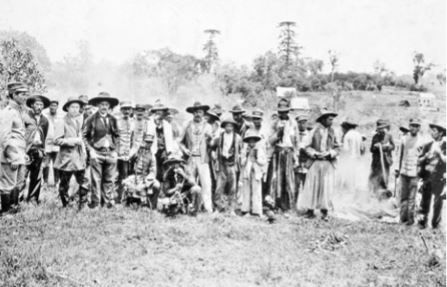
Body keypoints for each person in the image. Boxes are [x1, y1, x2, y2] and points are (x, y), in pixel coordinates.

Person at [297, 109, 340, 221]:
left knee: (326, 186)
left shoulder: (334, 132)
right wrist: (315, 154)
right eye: (330, 119)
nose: (331, 121)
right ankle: (310, 210)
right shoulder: (314, 131)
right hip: (315, 162)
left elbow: (338, 147)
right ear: (323, 119)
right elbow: (306, 146)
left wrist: (330, 153)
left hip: (328, 162)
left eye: (332, 119)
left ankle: (324, 211)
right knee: (312, 185)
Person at [83, 92, 120, 208]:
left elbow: (117, 136)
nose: (104, 107)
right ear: (97, 106)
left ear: (109, 106)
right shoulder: (91, 119)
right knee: (96, 179)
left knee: (109, 179)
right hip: (96, 152)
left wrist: (116, 151)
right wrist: (91, 150)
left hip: (110, 152)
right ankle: (96, 203)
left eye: (106, 104)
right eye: (102, 104)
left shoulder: (113, 119)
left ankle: (107, 203)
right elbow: (84, 136)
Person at [0, 83, 29, 214]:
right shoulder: (8, 113)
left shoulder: (19, 111)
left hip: (19, 154)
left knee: (17, 183)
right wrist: (13, 157)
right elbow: (5, 137)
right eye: (22, 94)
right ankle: (6, 213)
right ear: (13, 95)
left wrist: (23, 154)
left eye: (26, 94)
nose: (25, 97)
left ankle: (13, 210)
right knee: (7, 185)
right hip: (10, 155)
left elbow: (19, 135)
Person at [179, 101, 213, 212]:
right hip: (190, 158)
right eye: (195, 112)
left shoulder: (208, 126)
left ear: (203, 113)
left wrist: (211, 139)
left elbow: (212, 143)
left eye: (200, 112)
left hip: (203, 158)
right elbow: (179, 141)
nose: (197, 114)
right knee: (190, 181)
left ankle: (207, 207)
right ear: (192, 113)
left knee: (206, 183)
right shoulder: (187, 125)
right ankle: (188, 205)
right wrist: (185, 150)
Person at [54, 97, 87, 208]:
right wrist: (73, 141)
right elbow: (57, 140)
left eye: (77, 107)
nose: (75, 109)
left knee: (83, 181)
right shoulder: (61, 121)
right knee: (64, 183)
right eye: (72, 107)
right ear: (67, 108)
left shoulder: (79, 120)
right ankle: (66, 204)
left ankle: (82, 204)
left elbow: (82, 139)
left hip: (78, 157)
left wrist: (83, 151)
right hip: (66, 158)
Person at [267, 105, 298, 212]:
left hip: (288, 153)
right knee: (276, 179)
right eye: (281, 112)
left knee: (288, 179)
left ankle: (287, 205)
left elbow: (296, 141)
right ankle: (275, 204)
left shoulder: (293, 123)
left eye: (285, 112)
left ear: (288, 111)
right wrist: (278, 133)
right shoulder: (274, 123)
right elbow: (270, 141)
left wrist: (295, 156)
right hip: (278, 152)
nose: (283, 114)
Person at [417, 121, 446, 229]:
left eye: (434, 131)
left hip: (439, 177)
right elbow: (419, 160)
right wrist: (425, 157)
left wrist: (439, 153)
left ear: (441, 133)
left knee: (438, 201)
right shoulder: (428, 145)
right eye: (432, 130)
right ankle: (422, 222)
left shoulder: (445, 146)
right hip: (427, 176)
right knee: (425, 200)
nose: (432, 133)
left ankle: (436, 223)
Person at [395, 118, 423, 226]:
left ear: (419, 128)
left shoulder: (421, 141)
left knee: (412, 198)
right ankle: (403, 219)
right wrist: (397, 169)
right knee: (403, 197)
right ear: (409, 126)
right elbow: (399, 155)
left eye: (416, 126)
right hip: (403, 172)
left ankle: (410, 221)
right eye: (412, 126)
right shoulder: (403, 139)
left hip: (415, 173)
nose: (414, 128)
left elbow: (423, 158)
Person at [211, 116, 242, 213]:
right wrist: (214, 156)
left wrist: (238, 158)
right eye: (227, 126)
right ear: (224, 127)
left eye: (231, 126)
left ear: (233, 127)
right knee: (219, 186)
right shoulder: (219, 137)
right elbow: (212, 147)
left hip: (232, 164)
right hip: (222, 164)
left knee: (232, 187)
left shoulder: (237, 138)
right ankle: (218, 207)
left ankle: (231, 208)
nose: (229, 128)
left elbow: (241, 150)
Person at [24, 94, 50, 203]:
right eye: (37, 104)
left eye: (41, 105)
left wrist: (43, 150)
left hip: (38, 150)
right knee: (22, 175)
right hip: (26, 150)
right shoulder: (25, 117)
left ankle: (33, 199)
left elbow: (45, 134)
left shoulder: (45, 120)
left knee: (37, 176)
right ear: (31, 105)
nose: (39, 107)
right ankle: (19, 199)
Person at [123, 132, 160, 208]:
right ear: (143, 141)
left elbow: (153, 172)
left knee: (157, 185)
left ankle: (153, 205)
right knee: (125, 183)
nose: (148, 144)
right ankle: (128, 202)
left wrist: (145, 183)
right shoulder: (137, 152)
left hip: (146, 178)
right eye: (147, 142)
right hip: (136, 177)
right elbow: (128, 158)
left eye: (150, 142)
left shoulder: (152, 156)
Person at [240, 129, 267, 216]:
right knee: (246, 190)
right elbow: (242, 162)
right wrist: (246, 156)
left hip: (256, 172)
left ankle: (256, 210)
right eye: (249, 141)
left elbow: (263, 161)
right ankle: (246, 209)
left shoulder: (259, 150)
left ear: (255, 141)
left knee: (257, 190)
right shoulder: (245, 150)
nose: (251, 143)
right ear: (247, 142)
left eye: (253, 141)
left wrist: (257, 159)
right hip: (247, 172)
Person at [148, 102, 176, 184]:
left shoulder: (167, 125)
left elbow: (169, 139)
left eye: (161, 111)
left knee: (165, 171)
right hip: (153, 150)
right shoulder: (149, 123)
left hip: (164, 151)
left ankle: (164, 190)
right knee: (153, 170)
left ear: (164, 113)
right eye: (157, 111)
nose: (159, 113)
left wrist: (170, 151)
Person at [116, 101, 136, 203]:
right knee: (114, 176)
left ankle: (122, 198)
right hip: (117, 153)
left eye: (128, 109)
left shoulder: (133, 122)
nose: (126, 111)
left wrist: (131, 153)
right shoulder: (116, 121)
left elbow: (134, 139)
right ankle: (111, 197)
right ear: (121, 110)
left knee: (126, 176)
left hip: (128, 154)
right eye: (124, 109)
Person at [369, 119, 395, 195]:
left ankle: (384, 193)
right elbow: (371, 149)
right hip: (377, 161)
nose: (381, 130)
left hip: (386, 161)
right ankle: (375, 193)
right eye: (379, 129)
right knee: (376, 177)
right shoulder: (375, 137)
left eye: (382, 128)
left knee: (385, 176)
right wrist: (375, 147)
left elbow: (393, 146)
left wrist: (387, 147)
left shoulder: (389, 136)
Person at [339, 118, 364, 193]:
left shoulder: (347, 135)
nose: (342, 131)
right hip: (357, 159)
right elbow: (362, 149)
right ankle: (354, 195)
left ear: (345, 128)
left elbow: (346, 150)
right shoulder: (359, 134)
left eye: (342, 129)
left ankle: (348, 195)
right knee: (355, 178)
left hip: (349, 160)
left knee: (348, 178)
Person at [42, 100, 62, 186]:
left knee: (56, 165)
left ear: (57, 107)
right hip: (47, 144)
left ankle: (56, 182)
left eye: (55, 105)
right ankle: (45, 181)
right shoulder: (44, 116)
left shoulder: (61, 117)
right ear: (49, 106)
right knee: (45, 164)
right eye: (51, 105)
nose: (53, 107)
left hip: (57, 144)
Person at [294, 115, 310, 202]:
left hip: (306, 163)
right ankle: (294, 204)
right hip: (297, 164)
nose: (302, 125)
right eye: (300, 123)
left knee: (306, 186)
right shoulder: (294, 134)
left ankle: (306, 206)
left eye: (304, 123)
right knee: (295, 185)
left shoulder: (309, 135)